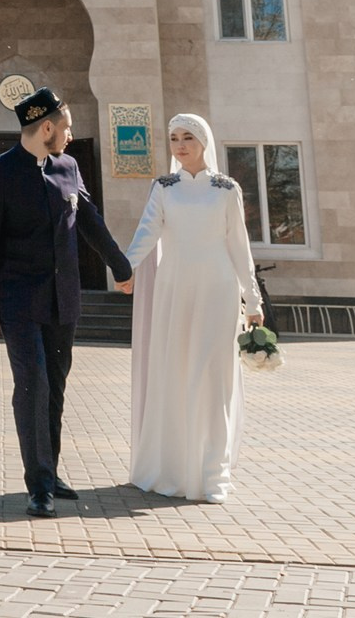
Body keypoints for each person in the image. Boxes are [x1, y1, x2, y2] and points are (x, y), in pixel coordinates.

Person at [0, 86, 134, 518]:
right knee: (33, 384)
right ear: (46, 128)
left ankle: (51, 471)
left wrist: (122, 268)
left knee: (55, 387)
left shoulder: (68, 166)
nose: (70, 134)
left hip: (63, 300)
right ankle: (38, 485)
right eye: (66, 127)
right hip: (18, 300)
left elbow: (90, 221)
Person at [123, 113, 265, 502]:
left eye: (188, 137)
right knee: (175, 370)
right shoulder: (164, 187)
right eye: (174, 138)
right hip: (174, 288)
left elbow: (239, 246)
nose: (181, 145)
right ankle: (169, 469)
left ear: (204, 141)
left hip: (218, 289)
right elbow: (147, 231)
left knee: (211, 376)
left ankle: (209, 473)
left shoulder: (226, 189)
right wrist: (124, 267)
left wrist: (252, 299)